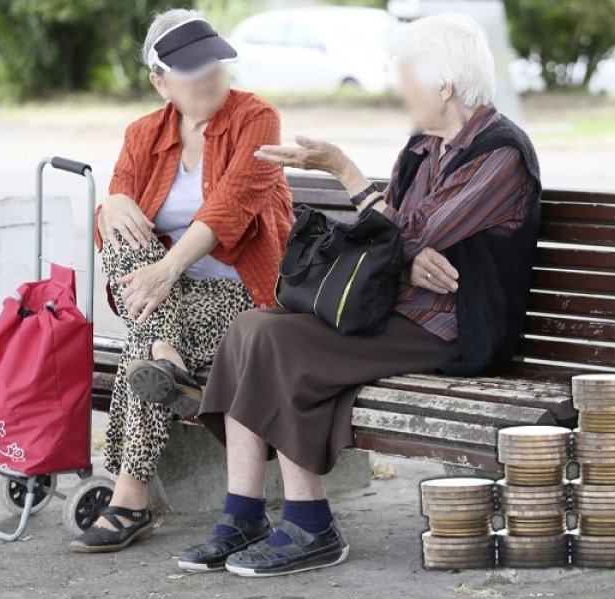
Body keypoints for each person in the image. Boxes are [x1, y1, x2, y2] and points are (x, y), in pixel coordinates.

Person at [177, 13, 542, 576]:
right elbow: (393, 241)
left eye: (407, 77)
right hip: (394, 309)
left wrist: (347, 174)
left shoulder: (501, 154)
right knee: (250, 327)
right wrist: (406, 262)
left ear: (443, 85)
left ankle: (312, 526)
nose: (401, 89)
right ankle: (243, 515)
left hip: (450, 328)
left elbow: (405, 233)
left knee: (282, 346)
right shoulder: (423, 148)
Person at [70, 9, 293, 552]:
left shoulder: (256, 118)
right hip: (169, 299)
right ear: (159, 81)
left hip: (248, 295)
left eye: (215, 66)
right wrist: (110, 206)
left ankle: (129, 499)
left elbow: (228, 210)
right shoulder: (143, 133)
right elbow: (120, 221)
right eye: (192, 71)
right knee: (117, 229)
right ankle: (164, 353)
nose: (209, 79)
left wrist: (166, 272)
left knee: (140, 347)